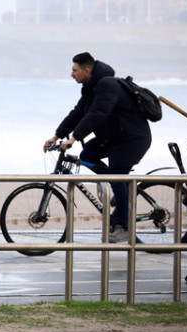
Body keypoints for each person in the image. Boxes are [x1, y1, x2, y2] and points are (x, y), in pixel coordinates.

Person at [43, 52, 151, 243]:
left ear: (86, 70)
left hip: (131, 139)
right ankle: (123, 190)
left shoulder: (108, 85)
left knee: (116, 177)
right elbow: (77, 114)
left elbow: (97, 114)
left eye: (74, 70)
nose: (71, 74)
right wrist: (56, 136)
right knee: (88, 155)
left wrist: (74, 138)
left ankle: (125, 226)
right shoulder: (90, 87)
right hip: (113, 138)